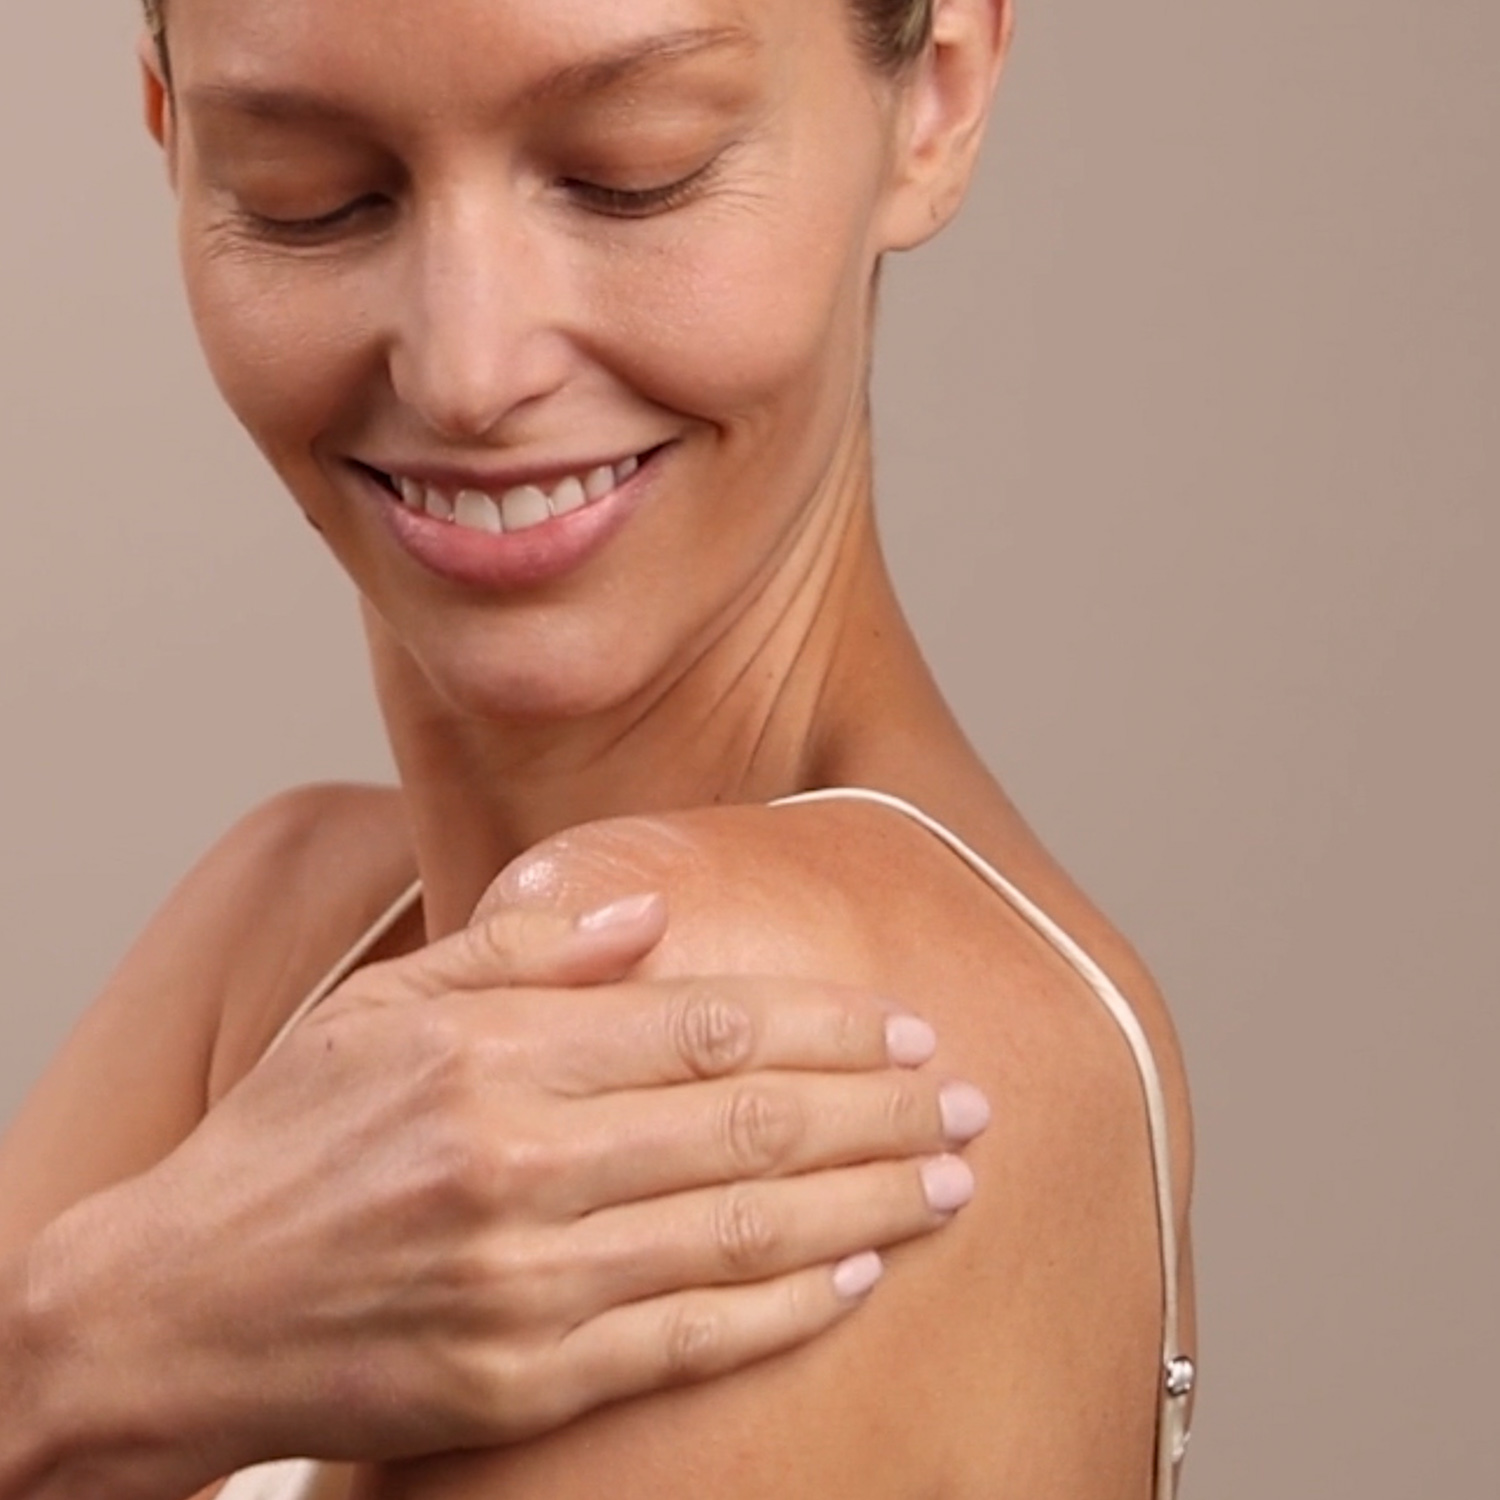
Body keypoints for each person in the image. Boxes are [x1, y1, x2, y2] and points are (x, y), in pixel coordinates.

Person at [0, 0, 1196, 1496]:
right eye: (309, 192)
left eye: (635, 173)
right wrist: (75, 1361)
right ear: (174, 148)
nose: (466, 368)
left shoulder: (703, 1018)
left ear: (937, 95)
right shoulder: (282, 933)